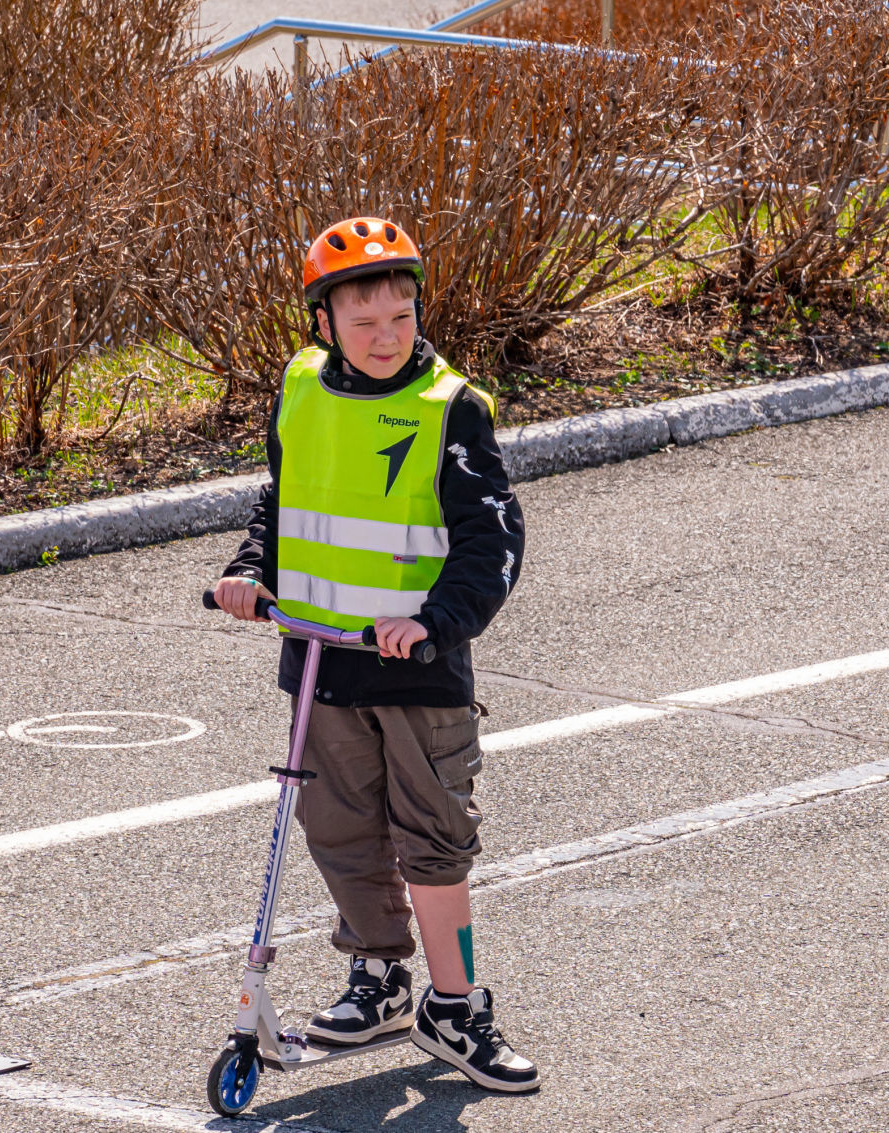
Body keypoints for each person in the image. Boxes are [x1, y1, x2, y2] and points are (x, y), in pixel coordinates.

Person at [211, 217, 538, 1093]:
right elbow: (283, 502)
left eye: (401, 316)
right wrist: (251, 570)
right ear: (324, 323)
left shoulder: (450, 408)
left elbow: (493, 540)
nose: (386, 336)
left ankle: (455, 1006)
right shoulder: (301, 388)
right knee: (340, 830)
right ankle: (380, 975)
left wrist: (434, 621)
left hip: (417, 669)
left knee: (434, 839)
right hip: (323, 661)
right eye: (363, 322)